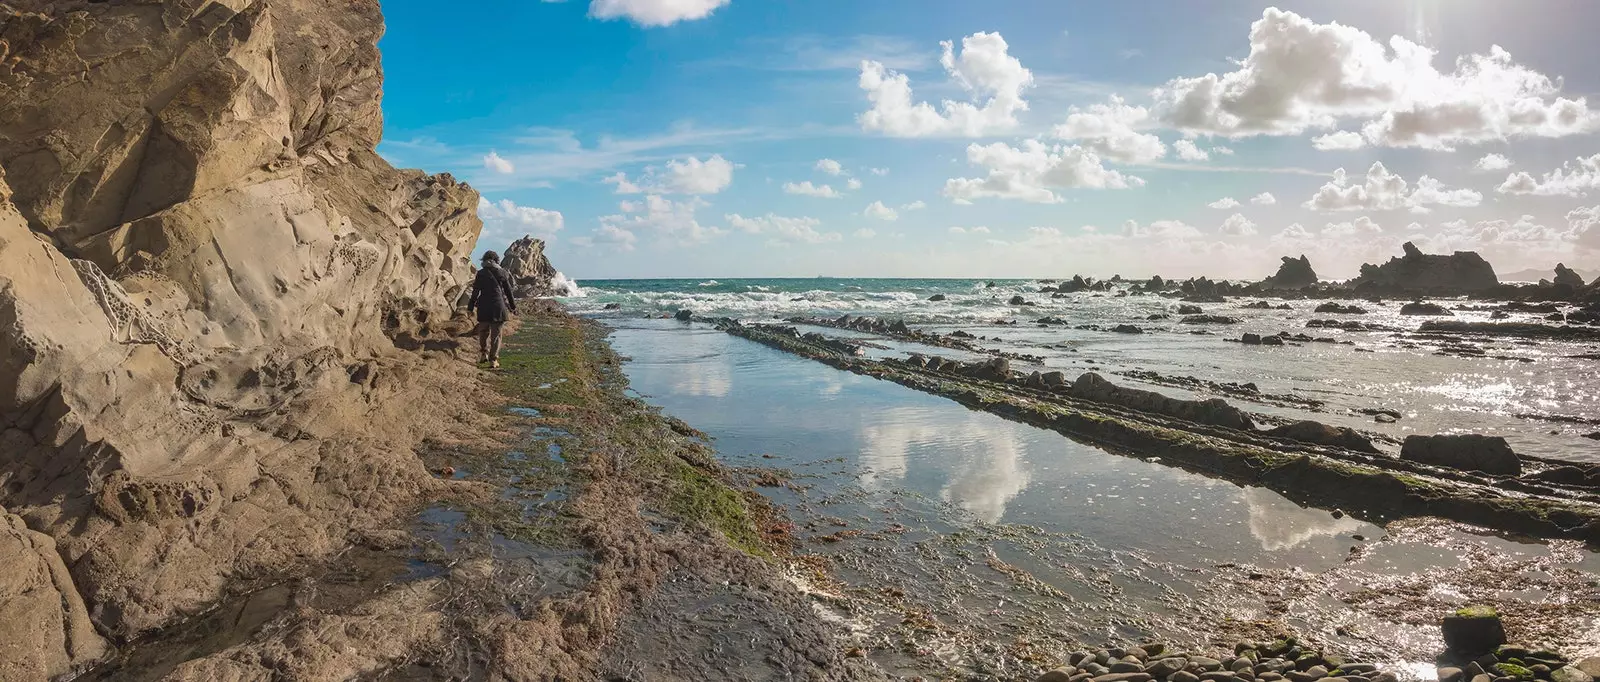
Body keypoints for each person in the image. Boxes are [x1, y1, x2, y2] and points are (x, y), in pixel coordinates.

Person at [467, 251, 517, 367]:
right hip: (498, 306)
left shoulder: (481, 273)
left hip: (483, 306)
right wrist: (513, 307)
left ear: (484, 260)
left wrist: (470, 307)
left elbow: (475, 292)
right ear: (496, 260)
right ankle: (493, 360)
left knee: (483, 332)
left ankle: (484, 354)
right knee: (496, 335)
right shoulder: (502, 272)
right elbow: (508, 292)